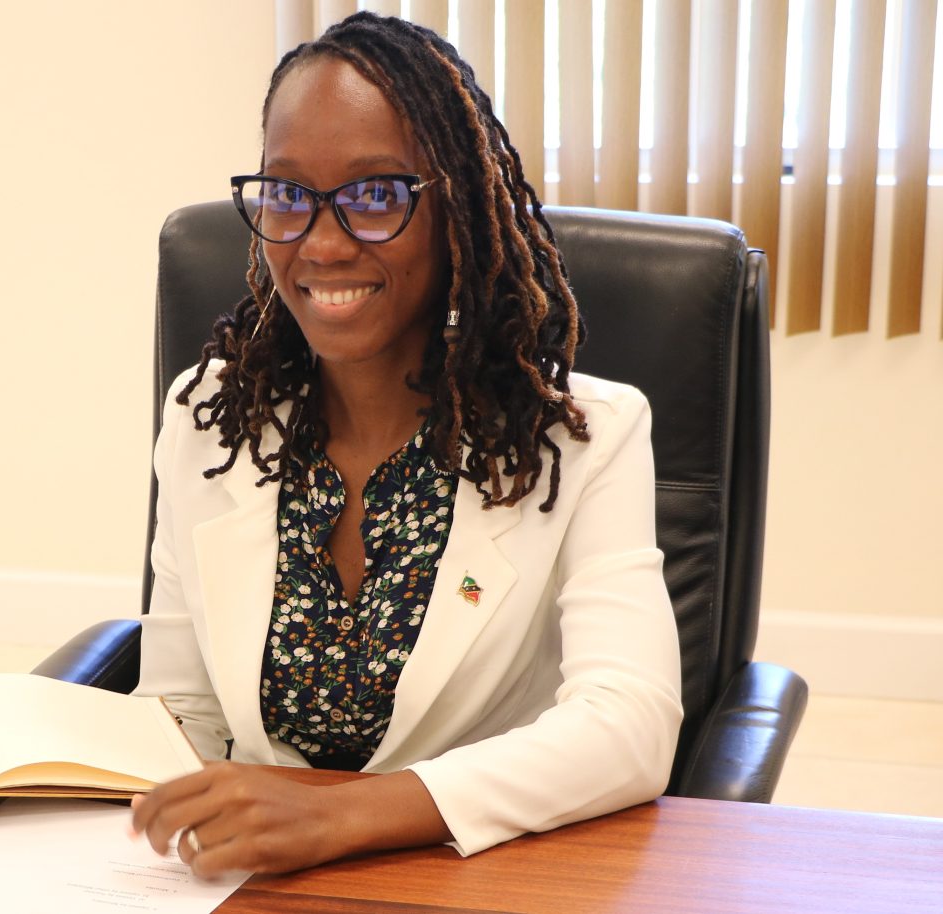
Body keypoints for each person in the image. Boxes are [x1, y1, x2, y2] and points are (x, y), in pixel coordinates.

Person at [130, 11, 682, 877]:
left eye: (376, 195)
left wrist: (346, 816)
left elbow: (629, 726)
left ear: (453, 211)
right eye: (287, 194)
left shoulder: (582, 440)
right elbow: (181, 713)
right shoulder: (210, 417)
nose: (321, 243)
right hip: (259, 885)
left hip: (475, 877)